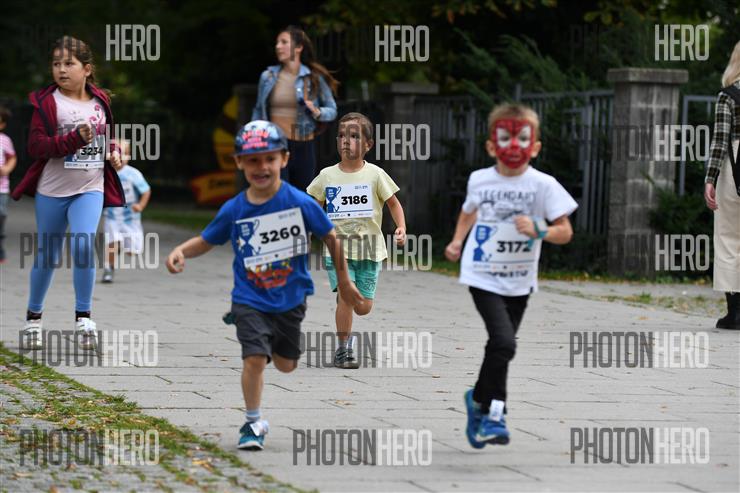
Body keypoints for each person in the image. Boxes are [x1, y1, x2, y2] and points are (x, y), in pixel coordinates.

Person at [166, 120, 363, 450]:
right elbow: (207, 239)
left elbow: (331, 236)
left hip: (290, 298)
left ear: (284, 159)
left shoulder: (300, 202)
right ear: (239, 163)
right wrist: (181, 251)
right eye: (253, 160)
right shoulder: (235, 209)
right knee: (254, 359)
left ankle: (270, 344)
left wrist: (344, 281)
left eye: (269, 159)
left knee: (286, 365)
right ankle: (252, 422)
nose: (262, 167)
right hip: (249, 298)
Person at [444, 103, 577, 448]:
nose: (514, 146)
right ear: (492, 145)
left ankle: (477, 400)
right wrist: (457, 241)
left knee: (500, 346)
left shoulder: (543, 185)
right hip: (482, 275)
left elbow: (565, 231)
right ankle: (495, 414)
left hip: (520, 280)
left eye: (522, 139)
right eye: (505, 138)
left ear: (535, 147)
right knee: (504, 342)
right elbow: (468, 212)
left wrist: (540, 229)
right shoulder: (480, 179)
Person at [11, 36, 125, 350]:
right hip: (52, 190)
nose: (61, 70)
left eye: (69, 64)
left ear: (86, 69)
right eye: (56, 64)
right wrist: (73, 139)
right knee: (47, 254)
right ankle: (33, 319)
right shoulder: (48, 103)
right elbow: (36, 147)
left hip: (90, 187)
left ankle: (84, 318)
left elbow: (107, 140)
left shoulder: (100, 102)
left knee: (84, 244)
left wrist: (115, 154)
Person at [307, 112, 406, 368]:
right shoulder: (327, 175)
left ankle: (349, 320)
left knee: (363, 307)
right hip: (338, 250)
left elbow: (393, 203)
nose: (346, 141)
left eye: (353, 136)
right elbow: (314, 206)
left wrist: (401, 227)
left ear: (368, 145)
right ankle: (343, 348)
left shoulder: (375, 174)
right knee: (346, 297)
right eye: (341, 135)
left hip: (369, 251)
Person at [252, 25, 338, 192]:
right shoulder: (267, 77)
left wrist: (317, 111)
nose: (278, 46)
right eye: (277, 43)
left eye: (284, 42)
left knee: (302, 198)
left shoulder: (313, 78)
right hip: (276, 146)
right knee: (279, 195)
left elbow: (332, 110)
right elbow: (258, 110)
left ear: (298, 47)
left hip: (304, 146)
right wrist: (255, 139)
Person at [704, 41, 740, 330]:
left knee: (729, 237)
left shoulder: (728, 96)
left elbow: (720, 141)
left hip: (734, 167)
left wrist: (710, 179)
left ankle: (735, 313)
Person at [102, 139, 151, 283]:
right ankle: (108, 269)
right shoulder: (105, 172)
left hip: (130, 219)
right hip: (111, 217)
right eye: (118, 153)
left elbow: (146, 191)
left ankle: (122, 246)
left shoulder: (133, 174)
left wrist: (141, 205)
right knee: (112, 242)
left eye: (125, 154)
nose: (121, 157)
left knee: (133, 251)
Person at [0, 106, 17, 264]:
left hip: (1, 188)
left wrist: (7, 168)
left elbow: (12, 157)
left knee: (1, 215)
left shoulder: (5, 140)